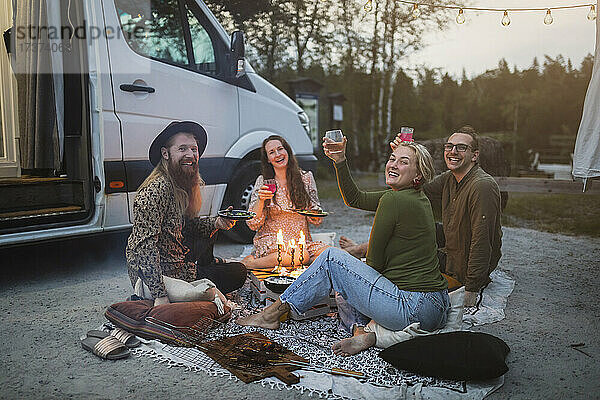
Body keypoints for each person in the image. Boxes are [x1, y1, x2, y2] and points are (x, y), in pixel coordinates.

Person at [237, 134, 449, 356]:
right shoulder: (414, 195)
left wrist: (346, 269)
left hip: (412, 308)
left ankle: (270, 315)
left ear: (419, 174)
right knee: (342, 271)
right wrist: (340, 161)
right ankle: (361, 331)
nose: (393, 165)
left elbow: (374, 265)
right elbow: (355, 199)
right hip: (436, 307)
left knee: (331, 258)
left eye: (403, 162)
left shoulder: (393, 200)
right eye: (392, 158)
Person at [340, 126, 502, 307]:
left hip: (460, 266)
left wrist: (471, 288)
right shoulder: (450, 178)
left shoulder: (482, 186)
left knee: (399, 241)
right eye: (449, 146)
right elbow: (413, 188)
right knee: (414, 224)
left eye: (461, 148)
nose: (453, 152)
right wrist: (403, 161)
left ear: (475, 155)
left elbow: (482, 240)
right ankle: (362, 249)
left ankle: (361, 251)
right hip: (451, 247)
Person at [126, 121, 247, 307]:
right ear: (165, 154)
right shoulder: (156, 190)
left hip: (181, 264)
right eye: (182, 149)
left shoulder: (181, 183)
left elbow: (188, 226)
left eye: (194, 149)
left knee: (233, 267)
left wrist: (218, 223)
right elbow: (144, 248)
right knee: (237, 273)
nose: (190, 155)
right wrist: (160, 294)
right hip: (162, 277)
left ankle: (206, 267)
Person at [243, 135, 328, 268]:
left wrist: (314, 211)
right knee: (302, 256)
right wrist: (261, 200)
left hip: (301, 241)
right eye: (271, 152)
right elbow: (252, 223)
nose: (277, 154)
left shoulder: (306, 178)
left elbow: (317, 219)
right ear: (268, 160)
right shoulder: (263, 181)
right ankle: (252, 264)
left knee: (330, 254)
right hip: (273, 240)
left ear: (287, 151)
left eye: (280, 149)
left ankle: (296, 261)